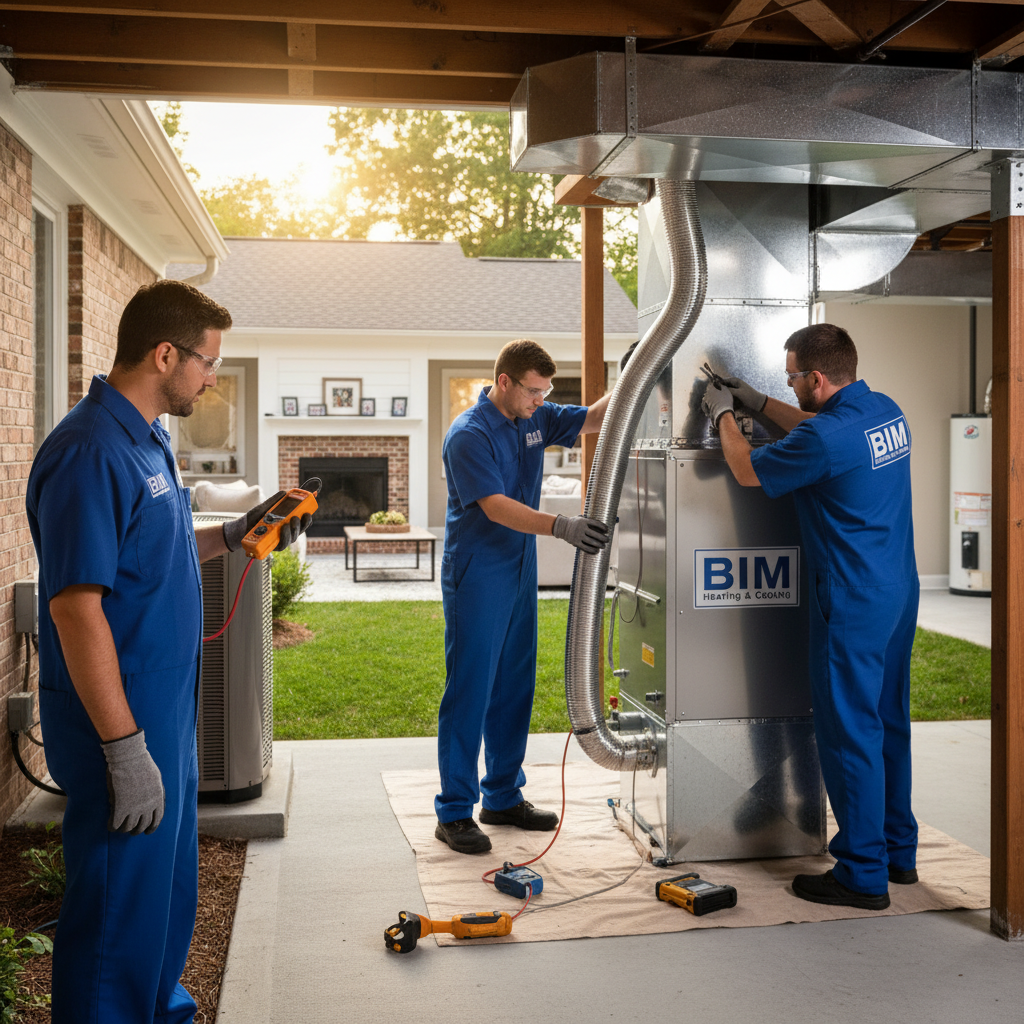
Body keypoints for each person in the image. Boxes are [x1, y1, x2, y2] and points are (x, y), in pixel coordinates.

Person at [26, 279, 313, 1024]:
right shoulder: (89, 452)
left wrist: (236, 532)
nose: (212, 375)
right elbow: (75, 606)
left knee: (164, 887)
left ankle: (157, 1008)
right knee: (119, 899)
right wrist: (123, 748)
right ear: (164, 354)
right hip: (118, 715)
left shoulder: (147, 436)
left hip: (162, 703)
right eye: (208, 361)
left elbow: (151, 552)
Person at [701, 323, 918, 911]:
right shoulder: (881, 409)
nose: (790, 382)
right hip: (897, 589)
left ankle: (862, 874)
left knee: (849, 733)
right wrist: (757, 400)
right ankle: (898, 853)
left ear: (817, 378)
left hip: (849, 596)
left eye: (792, 376)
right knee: (887, 721)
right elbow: (820, 432)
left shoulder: (825, 439)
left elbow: (747, 469)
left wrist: (723, 414)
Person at [435, 339, 611, 854]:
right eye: (534, 391)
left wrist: (642, 369)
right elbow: (493, 506)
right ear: (505, 382)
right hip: (478, 568)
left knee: (515, 685)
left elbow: (592, 420)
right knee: (471, 687)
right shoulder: (468, 434)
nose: (541, 400)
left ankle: (503, 797)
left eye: (546, 392)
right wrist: (562, 525)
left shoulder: (534, 415)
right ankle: (453, 812)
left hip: (518, 566)